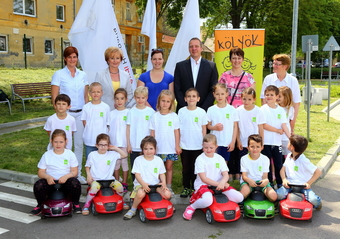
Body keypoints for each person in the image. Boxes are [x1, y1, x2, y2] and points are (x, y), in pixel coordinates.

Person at [182, 134, 243, 221]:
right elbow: (204, 179)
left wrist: (222, 183)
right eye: (206, 147)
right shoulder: (200, 159)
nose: (208, 150)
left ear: (216, 147)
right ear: (202, 146)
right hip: (204, 185)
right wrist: (220, 184)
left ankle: (222, 204)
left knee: (239, 197)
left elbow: (225, 174)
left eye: (211, 147)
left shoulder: (219, 158)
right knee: (207, 201)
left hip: (219, 185)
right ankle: (192, 206)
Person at [51, 46, 89, 184]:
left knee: (79, 145)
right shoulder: (59, 74)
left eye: (74, 57)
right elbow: (54, 96)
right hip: (65, 115)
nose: (72, 60)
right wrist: (59, 112)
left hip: (80, 114)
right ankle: (60, 173)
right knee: (63, 144)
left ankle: (76, 174)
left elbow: (86, 96)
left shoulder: (83, 75)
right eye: (69, 57)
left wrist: (87, 113)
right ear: (65, 59)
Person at [30, 129, 81, 215]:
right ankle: (40, 205)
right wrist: (47, 177)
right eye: (55, 142)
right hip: (51, 182)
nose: (58, 144)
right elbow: (40, 172)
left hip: (65, 182)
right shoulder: (47, 155)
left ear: (66, 142)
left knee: (75, 183)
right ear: (51, 141)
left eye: (61, 142)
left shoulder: (70, 154)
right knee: (38, 185)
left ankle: (75, 203)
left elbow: (74, 171)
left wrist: (66, 176)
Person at [123, 136, 171, 220]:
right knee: (141, 193)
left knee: (167, 194)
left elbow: (162, 174)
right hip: (141, 184)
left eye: (151, 148)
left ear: (155, 149)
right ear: (142, 149)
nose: (148, 151)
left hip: (155, 185)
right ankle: (133, 209)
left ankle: (164, 205)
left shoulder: (158, 160)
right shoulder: (138, 160)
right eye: (146, 149)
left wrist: (163, 183)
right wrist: (143, 184)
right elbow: (137, 175)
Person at [82, 133, 128, 215]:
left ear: (108, 145)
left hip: (109, 179)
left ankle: (122, 199)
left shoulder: (112, 154)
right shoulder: (92, 155)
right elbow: (87, 166)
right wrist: (89, 176)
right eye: (101, 145)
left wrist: (115, 148)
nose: (103, 147)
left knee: (120, 187)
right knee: (94, 188)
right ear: (96, 145)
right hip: (96, 180)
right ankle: (87, 204)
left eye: (105, 145)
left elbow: (125, 155)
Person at [276, 135, 322, 210]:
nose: (287, 144)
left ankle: (319, 203)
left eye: (288, 143)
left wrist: (308, 183)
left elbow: (318, 172)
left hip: (302, 186)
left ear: (292, 147)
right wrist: (284, 179)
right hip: (289, 185)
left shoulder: (303, 160)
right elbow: (282, 170)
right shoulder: (288, 156)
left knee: (314, 200)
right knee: (277, 194)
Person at [260, 54, 301, 134]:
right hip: (270, 119)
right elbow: (263, 100)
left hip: (286, 120)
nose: (273, 66)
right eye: (273, 63)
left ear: (285, 66)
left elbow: (296, 103)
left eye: (277, 64)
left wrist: (292, 125)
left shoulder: (293, 81)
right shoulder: (268, 79)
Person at [174, 37, 218, 112]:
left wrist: (202, 109)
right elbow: (177, 89)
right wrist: (186, 108)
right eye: (191, 46)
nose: (194, 48)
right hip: (184, 111)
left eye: (196, 46)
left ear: (201, 48)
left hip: (205, 110)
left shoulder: (211, 66)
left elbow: (213, 89)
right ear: (188, 49)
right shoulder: (180, 66)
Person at [150, 90, 181, 195]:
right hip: (159, 148)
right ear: (159, 101)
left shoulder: (174, 116)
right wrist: (152, 147)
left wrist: (177, 145)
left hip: (170, 147)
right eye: (163, 101)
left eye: (168, 101)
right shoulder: (155, 116)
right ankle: (160, 186)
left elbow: (176, 132)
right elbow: (152, 133)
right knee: (159, 168)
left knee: (169, 167)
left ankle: (169, 186)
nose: (165, 103)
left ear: (171, 103)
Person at [178, 88, 208, 198]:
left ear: (198, 99)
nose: (191, 98)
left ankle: (196, 187)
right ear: (185, 99)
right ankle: (186, 187)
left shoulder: (201, 112)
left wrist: (204, 143)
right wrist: (178, 144)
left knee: (196, 168)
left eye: (194, 96)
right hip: (185, 145)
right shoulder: (181, 111)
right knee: (186, 168)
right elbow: (178, 128)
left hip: (197, 146)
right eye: (189, 96)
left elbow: (204, 129)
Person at [207, 83, 238, 179]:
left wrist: (233, 142)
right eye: (217, 94)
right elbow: (208, 126)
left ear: (227, 94)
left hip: (227, 142)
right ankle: (213, 181)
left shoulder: (232, 109)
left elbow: (235, 127)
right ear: (214, 95)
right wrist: (214, 128)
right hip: (215, 143)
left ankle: (222, 182)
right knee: (214, 163)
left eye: (222, 94)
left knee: (224, 164)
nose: (220, 96)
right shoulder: (211, 109)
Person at [261, 85, 290, 188]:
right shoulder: (263, 109)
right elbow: (263, 125)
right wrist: (277, 130)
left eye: (271, 95)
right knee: (267, 164)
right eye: (267, 95)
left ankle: (280, 183)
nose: (269, 97)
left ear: (277, 96)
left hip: (277, 142)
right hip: (266, 142)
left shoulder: (281, 110)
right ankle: (269, 184)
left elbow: (284, 125)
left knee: (278, 163)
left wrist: (290, 137)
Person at [126, 86, 155, 182]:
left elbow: (152, 129)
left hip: (147, 146)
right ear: (134, 97)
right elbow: (128, 128)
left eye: (143, 97)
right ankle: (135, 186)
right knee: (135, 167)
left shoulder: (151, 112)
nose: (140, 100)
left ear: (146, 98)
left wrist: (152, 144)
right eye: (138, 97)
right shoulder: (131, 111)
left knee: (147, 166)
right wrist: (128, 144)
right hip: (134, 145)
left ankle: (148, 184)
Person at [236, 88, 265, 179]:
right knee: (243, 160)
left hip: (255, 143)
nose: (246, 101)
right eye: (244, 99)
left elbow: (261, 128)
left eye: (249, 99)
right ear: (241, 98)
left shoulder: (258, 111)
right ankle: (243, 177)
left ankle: (255, 176)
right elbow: (237, 128)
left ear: (254, 99)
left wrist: (261, 142)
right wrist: (238, 140)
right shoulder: (238, 111)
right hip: (243, 142)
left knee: (255, 159)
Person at [94, 46, 135, 111]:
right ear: (107, 59)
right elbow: (96, 93)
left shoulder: (126, 75)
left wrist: (121, 104)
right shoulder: (100, 75)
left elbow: (129, 94)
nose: (115, 61)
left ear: (121, 60)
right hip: (104, 111)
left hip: (121, 111)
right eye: (112, 58)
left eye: (117, 58)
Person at [240, 134, 277, 202]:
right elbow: (244, 176)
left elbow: (265, 176)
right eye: (252, 146)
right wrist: (249, 181)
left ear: (262, 147)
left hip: (261, 182)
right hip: (248, 182)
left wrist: (265, 181)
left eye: (257, 147)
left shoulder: (265, 159)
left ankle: (263, 193)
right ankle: (247, 194)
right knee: (242, 195)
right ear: (248, 147)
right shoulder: (244, 159)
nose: (255, 149)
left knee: (273, 196)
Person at [107, 88, 129, 192]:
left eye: (121, 98)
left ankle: (124, 183)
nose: (119, 101)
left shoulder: (128, 113)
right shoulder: (111, 113)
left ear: (126, 99)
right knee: (115, 163)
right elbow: (108, 128)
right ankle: (116, 182)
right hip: (114, 143)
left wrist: (129, 143)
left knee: (124, 163)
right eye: (117, 98)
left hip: (124, 142)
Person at [81, 82, 110, 160]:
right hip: (89, 139)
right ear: (89, 93)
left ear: (102, 93)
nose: (96, 94)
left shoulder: (106, 107)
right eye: (93, 92)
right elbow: (84, 122)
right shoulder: (86, 107)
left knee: (102, 161)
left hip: (102, 142)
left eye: (98, 92)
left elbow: (107, 123)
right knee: (90, 161)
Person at [278, 86, 294, 159]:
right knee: (278, 156)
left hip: (286, 137)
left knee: (287, 155)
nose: (277, 98)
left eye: (279, 96)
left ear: (286, 97)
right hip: (277, 136)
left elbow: (290, 121)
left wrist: (291, 133)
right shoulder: (275, 107)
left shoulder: (290, 109)